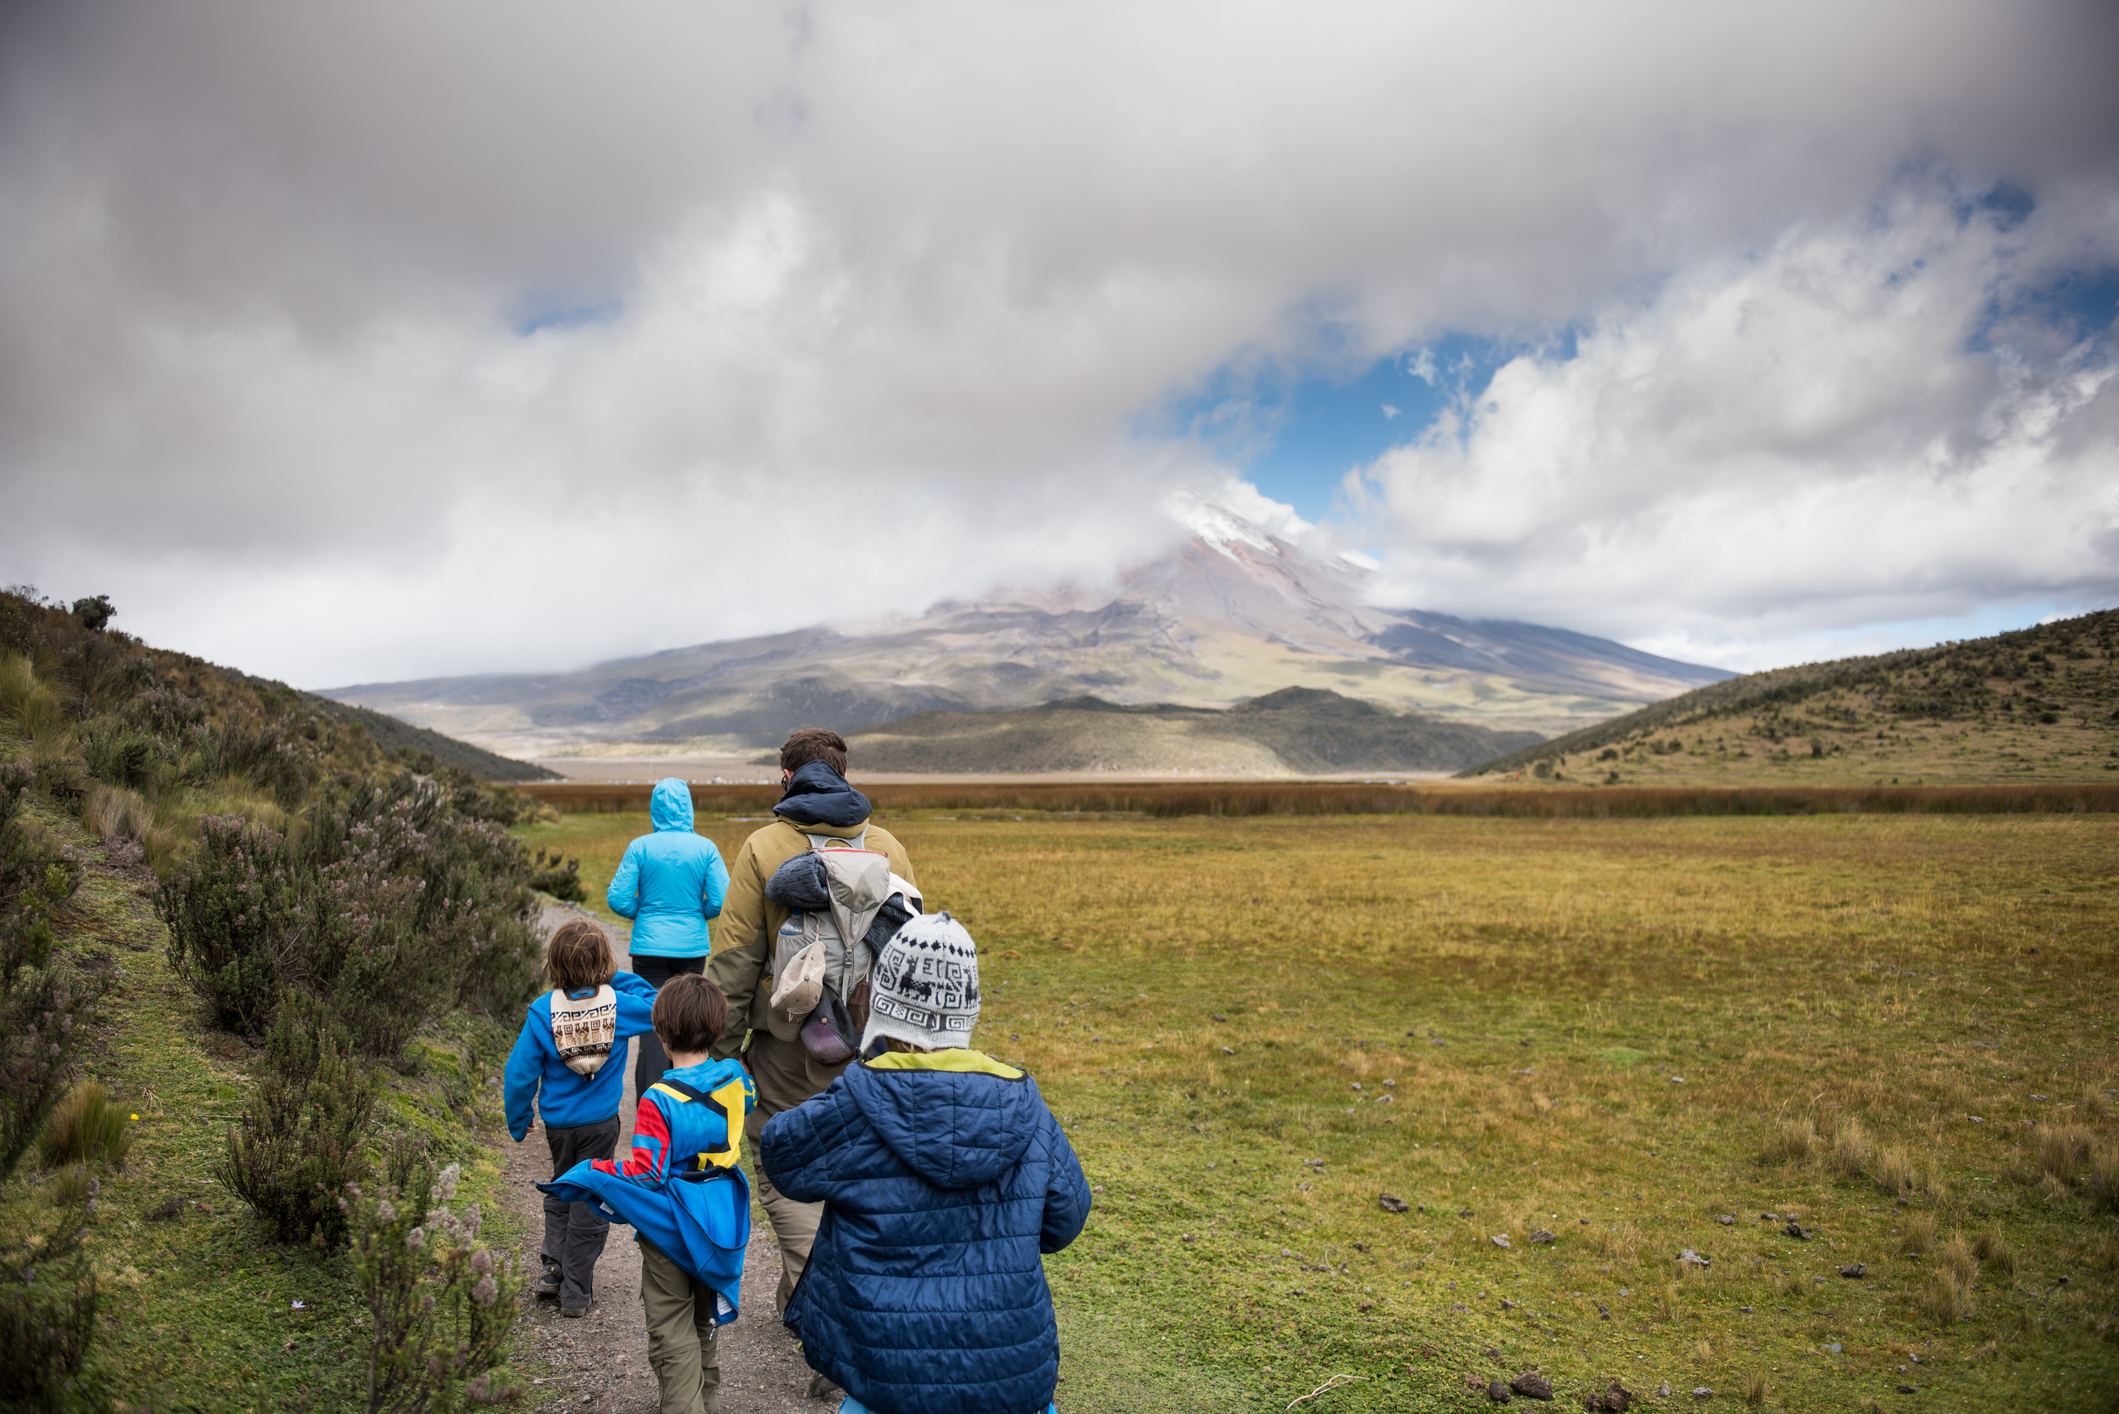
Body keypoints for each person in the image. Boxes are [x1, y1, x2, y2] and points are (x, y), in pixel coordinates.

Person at [759, 914, 1090, 1414]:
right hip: (1011, 1372)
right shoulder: (1025, 1108)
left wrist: (856, 1074)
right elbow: (1064, 1222)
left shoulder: (858, 1100)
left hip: (885, 1369)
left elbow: (782, 1156)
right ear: (968, 1009)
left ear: (884, 1007)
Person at [706, 728, 918, 1330]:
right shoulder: (889, 849)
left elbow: (734, 963)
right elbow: (908, 959)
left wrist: (717, 1061)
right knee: (856, 1174)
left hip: (783, 1052)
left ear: (786, 779)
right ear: (845, 776)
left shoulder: (762, 847)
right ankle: (806, 1305)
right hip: (869, 1050)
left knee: (789, 1173)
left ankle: (828, 1327)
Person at [540, 974, 755, 1414]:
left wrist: (598, 1169)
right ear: (716, 1029)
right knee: (704, 1320)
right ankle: (706, 1403)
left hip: (673, 1228)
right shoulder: (737, 1079)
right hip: (721, 1220)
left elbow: (647, 1173)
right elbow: (750, 1099)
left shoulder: (659, 1099)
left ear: (659, 1033)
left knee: (670, 1329)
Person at [504, 918, 661, 1317]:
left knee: (562, 1187)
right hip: (601, 1125)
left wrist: (519, 1119)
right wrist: (616, 977)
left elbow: (519, 1074)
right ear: (605, 963)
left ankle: (552, 1269)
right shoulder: (618, 1006)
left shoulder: (543, 1012)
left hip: (559, 1126)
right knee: (591, 1198)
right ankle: (576, 1290)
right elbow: (655, 1003)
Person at [610, 777, 731, 1095]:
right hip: (691, 949)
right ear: (689, 808)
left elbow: (618, 898)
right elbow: (720, 899)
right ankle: (688, 1096)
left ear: (655, 808)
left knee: (653, 1021)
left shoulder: (640, 847)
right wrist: (696, 914)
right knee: (689, 1017)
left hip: (648, 950)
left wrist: (645, 912)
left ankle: (649, 1103)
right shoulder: (706, 848)